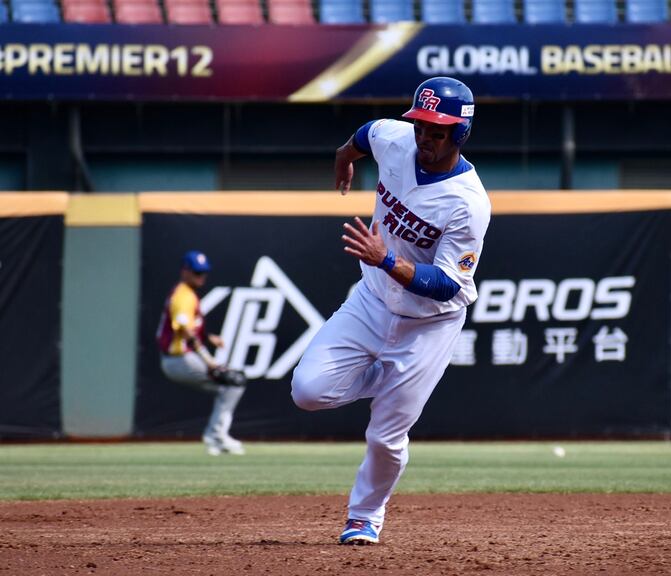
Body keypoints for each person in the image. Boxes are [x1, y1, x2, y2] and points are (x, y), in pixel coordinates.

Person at [291, 77, 491, 545]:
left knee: (386, 435)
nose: (425, 137)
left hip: (430, 325)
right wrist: (344, 156)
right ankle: (388, 382)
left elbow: (446, 285)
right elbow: (366, 135)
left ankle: (364, 516)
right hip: (373, 300)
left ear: (459, 134)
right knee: (308, 391)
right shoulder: (396, 138)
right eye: (421, 125)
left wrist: (386, 259)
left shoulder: (468, 204)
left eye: (437, 130)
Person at [157, 250, 247, 456]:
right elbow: (185, 330)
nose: (201, 277)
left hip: (180, 358)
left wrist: (208, 338)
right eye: (197, 272)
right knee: (233, 382)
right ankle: (216, 435)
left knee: (229, 385)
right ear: (185, 271)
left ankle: (215, 436)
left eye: (203, 272)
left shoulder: (187, 294)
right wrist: (209, 361)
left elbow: (189, 328)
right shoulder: (183, 296)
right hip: (179, 359)